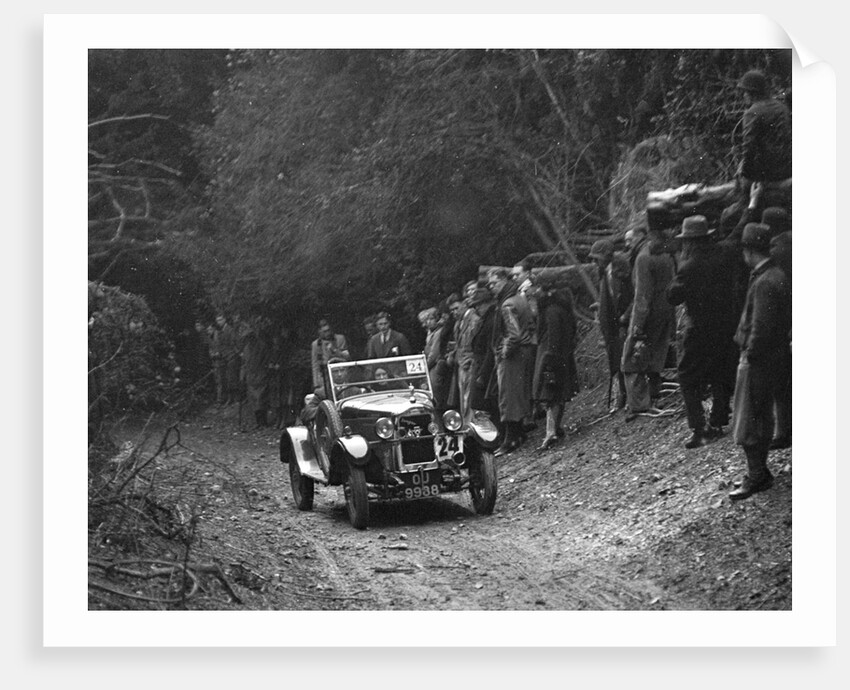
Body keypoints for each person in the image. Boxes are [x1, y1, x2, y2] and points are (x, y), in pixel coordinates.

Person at [728, 223, 791, 501]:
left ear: (748, 251)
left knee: (748, 420)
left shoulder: (765, 281)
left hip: (759, 360)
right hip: (775, 357)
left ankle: (757, 476)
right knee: (761, 416)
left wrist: (750, 356)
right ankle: (759, 473)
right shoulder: (777, 274)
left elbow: (761, 328)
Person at [666, 216, 740, 448]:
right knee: (720, 372)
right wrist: (751, 205)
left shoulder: (689, 267)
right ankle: (718, 422)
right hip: (726, 326)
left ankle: (699, 428)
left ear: (688, 241)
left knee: (687, 377)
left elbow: (672, 296)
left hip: (699, 329)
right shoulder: (724, 253)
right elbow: (736, 235)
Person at [621, 225, 676, 420]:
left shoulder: (643, 258)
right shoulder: (665, 252)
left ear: (641, 236)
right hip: (666, 310)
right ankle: (654, 393)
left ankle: (639, 405)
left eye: (629, 240)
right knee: (654, 355)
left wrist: (636, 326)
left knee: (632, 359)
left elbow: (642, 296)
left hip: (650, 313)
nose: (627, 244)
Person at [486, 267, 535, 456]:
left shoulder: (507, 305)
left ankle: (511, 438)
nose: (491, 288)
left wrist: (504, 352)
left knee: (508, 396)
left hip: (513, 355)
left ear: (504, 281)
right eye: (490, 284)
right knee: (517, 394)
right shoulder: (519, 299)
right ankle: (518, 434)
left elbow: (513, 334)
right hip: (525, 351)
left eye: (494, 283)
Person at [531, 276, 579, 450]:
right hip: (560, 356)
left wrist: (549, 360)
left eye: (537, 289)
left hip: (551, 357)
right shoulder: (561, 308)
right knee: (557, 395)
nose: (534, 293)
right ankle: (555, 429)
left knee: (550, 396)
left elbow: (553, 337)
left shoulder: (551, 311)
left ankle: (551, 432)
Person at [589, 238, 633, 413]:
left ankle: (631, 398)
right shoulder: (604, 271)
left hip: (623, 322)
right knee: (616, 361)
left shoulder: (622, 270)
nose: (594, 262)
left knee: (627, 360)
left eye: (597, 257)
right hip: (612, 325)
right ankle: (621, 397)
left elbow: (634, 296)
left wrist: (625, 316)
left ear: (606, 256)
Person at [240, 321, 272, 428]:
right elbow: (244, 363)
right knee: (254, 401)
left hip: (260, 376)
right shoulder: (246, 349)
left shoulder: (262, 346)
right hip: (251, 377)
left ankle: (264, 422)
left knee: (261, 399)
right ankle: (258, 422)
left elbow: (266, 361)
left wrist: (263, 372)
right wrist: (242, 376)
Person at [310, 319, 350, 398]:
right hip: (324, 373)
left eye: (328, 330)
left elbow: (347, 357)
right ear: (319, 332)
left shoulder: (340, 338)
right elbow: (315, 364)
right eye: (324, 331)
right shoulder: (316, 344)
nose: (327, 333)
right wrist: (316, 383)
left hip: (338, 371)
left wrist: (334, 350)